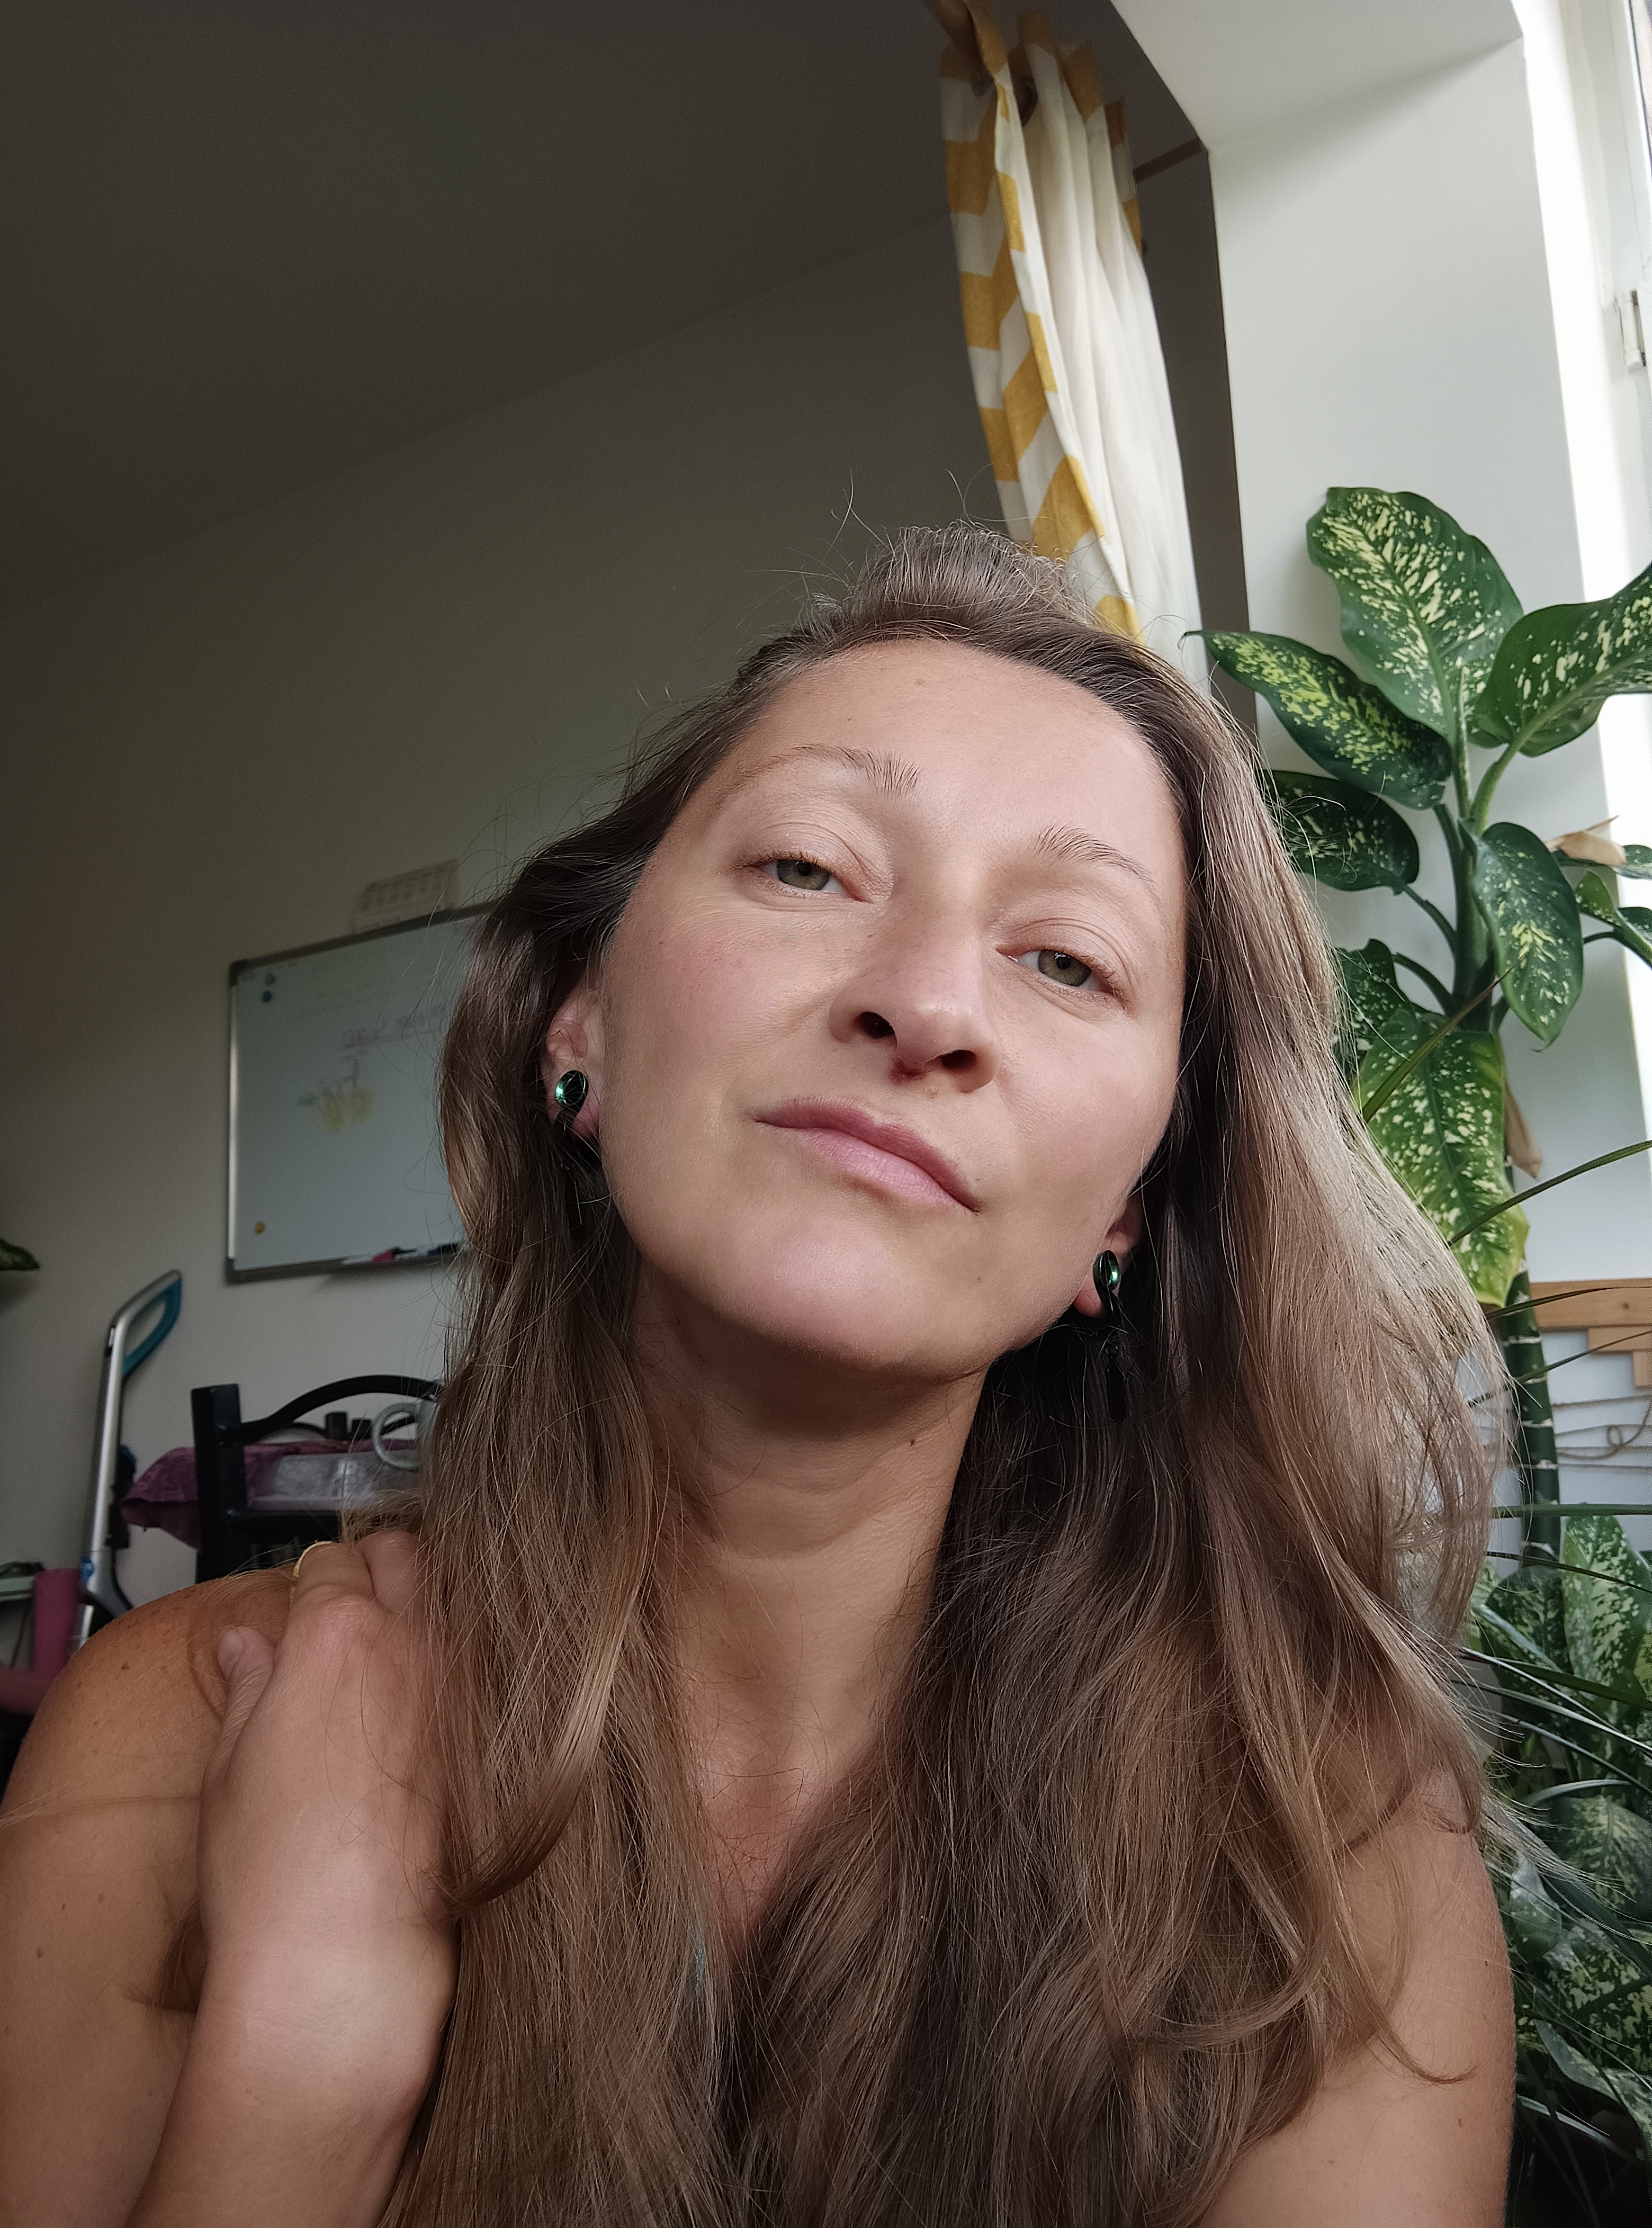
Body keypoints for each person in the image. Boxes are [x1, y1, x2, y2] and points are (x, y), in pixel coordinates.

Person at [0, 528, 1512, 2227]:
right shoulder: (178, 1729)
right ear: (577, 1018)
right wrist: (297, 2070)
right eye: (807, 867)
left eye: (1067, 959)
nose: (925, 1001)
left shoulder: (1331, 1857)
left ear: (1130, 1213)